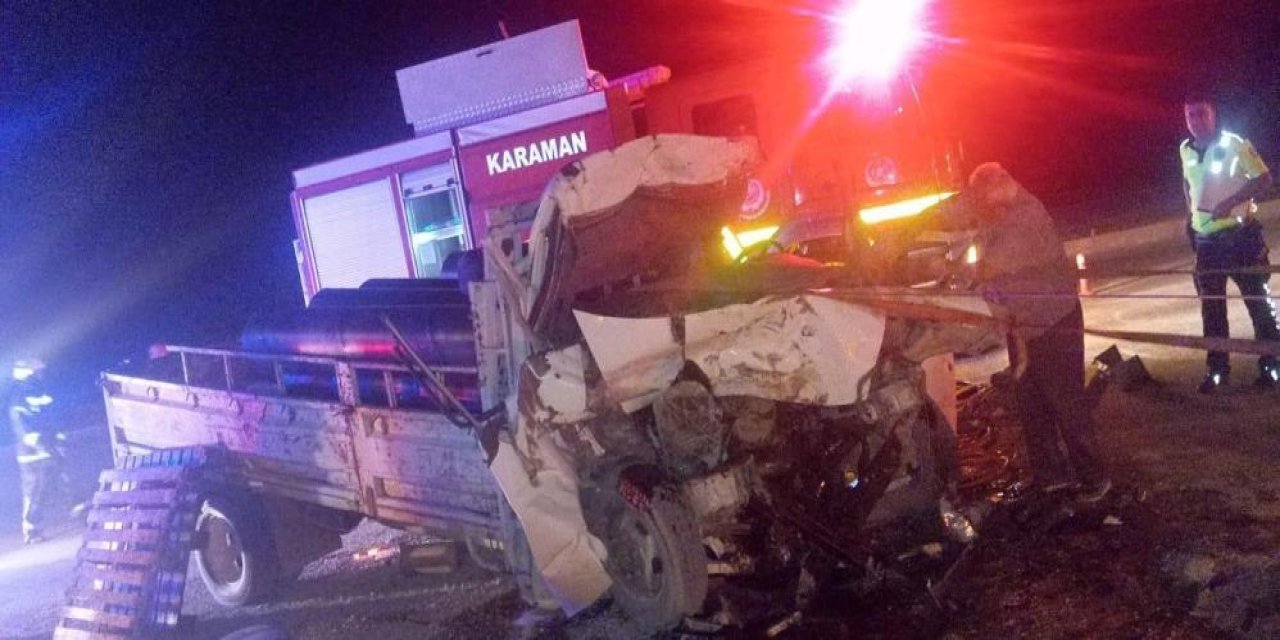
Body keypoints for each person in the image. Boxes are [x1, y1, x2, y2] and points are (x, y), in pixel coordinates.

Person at [868, 163, 1110, 502]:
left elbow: (985, 269)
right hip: (1022, 326)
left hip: (1054, 325)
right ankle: (1051, 478)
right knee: (1031, 406)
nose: (978, 210)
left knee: (1066, 405)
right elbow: (954, 208)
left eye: (982, 202)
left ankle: (1094, 480)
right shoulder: (994, 202)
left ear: (999, 188)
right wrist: (908, 227)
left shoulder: (1026, 220)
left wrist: (939, 268)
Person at [1180, 94, 1279, 393]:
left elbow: (1264, 178)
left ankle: (1272, 366)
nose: (1196, 121)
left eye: (1201, 113)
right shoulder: (1185, 150)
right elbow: (1188, 183)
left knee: (1258, 303)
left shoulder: (1234, 144)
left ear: (1213, 114)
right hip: (1207, 244)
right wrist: (1190, 219)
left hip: (1240, 238)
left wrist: (1232, 201)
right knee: (1211, 310)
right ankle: (1217, 371)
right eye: (1190, 115)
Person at [7, 359, 61, 543]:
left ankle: (35, 524)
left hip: (44, 446)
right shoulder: (20, 394)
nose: (41, 374)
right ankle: (31, 529)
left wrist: (56, 437)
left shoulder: (37, 390)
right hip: (31, 451)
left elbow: (49, 416)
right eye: (37, 371)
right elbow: (21, 424)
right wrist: (39, 443)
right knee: (33, 489)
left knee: (46, 486)